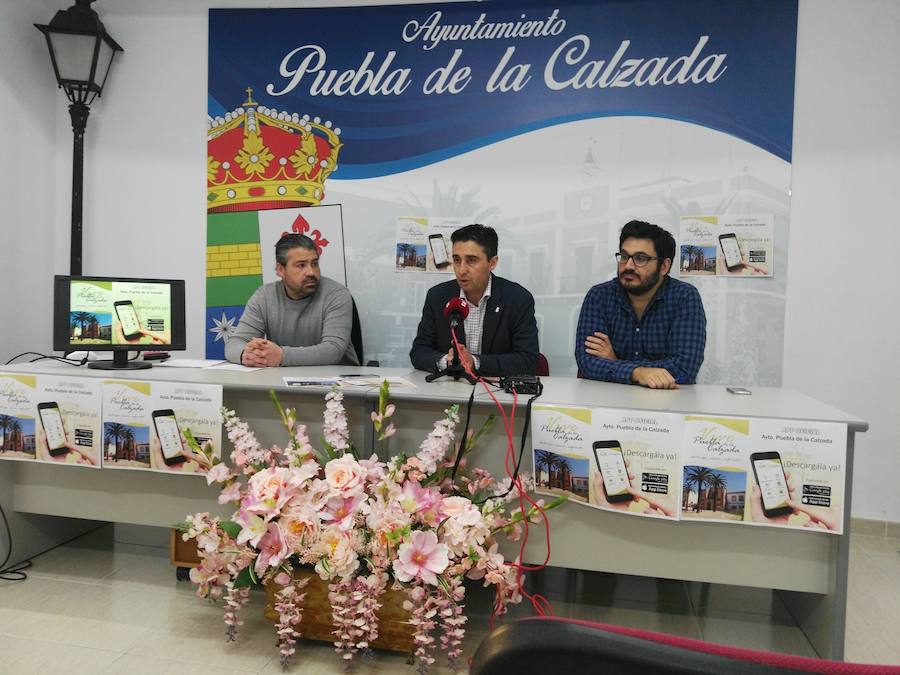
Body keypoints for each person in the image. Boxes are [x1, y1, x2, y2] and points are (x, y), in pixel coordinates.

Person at [575, 220, 706, 389]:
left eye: (640, 258)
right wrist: (638, 373)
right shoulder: (599, 296)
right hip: (609, 401)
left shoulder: (685, 297)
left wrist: (617, 363)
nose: (628, 266)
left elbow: (684, 368)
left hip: (667, 404)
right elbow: (587, 362)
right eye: (624, 256)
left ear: (664, 266)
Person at [410, 224, 539, 377]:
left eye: (471, 260)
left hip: (496, 393)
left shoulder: (517, 299)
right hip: (448, 389)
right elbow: (419, 351)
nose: (461, 270)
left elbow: (528, 359)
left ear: (493, 262)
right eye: (457, 260)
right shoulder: (437, 297)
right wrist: (448, 361)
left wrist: (475, 362)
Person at [225, 234, 359, 367]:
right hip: (284, 381)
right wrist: (246, 355)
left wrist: (282, 356)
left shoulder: (336, 294)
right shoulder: (264, 296)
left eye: (314, 263)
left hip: (337, 382)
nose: (311, 272)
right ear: (280, 270)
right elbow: (235, 342)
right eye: (301, 265)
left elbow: (333, 350)